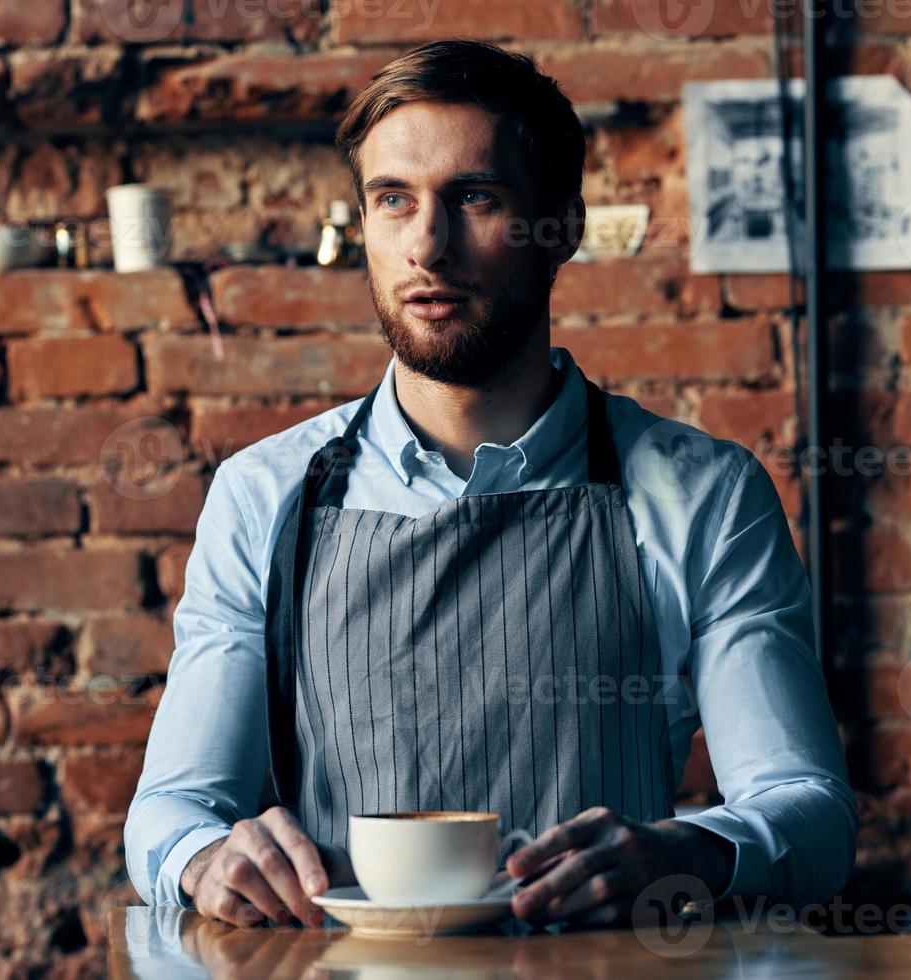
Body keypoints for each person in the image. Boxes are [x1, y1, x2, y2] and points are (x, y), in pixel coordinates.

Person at [126, 39, 856, 929]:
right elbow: (169, 812)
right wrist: (205, 858)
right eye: (393, 201)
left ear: (564, 227)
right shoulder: (264, 497)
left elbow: (810, 810)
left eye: (475, 197)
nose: (427, 247)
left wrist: (689, 851)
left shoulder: (704, 494)